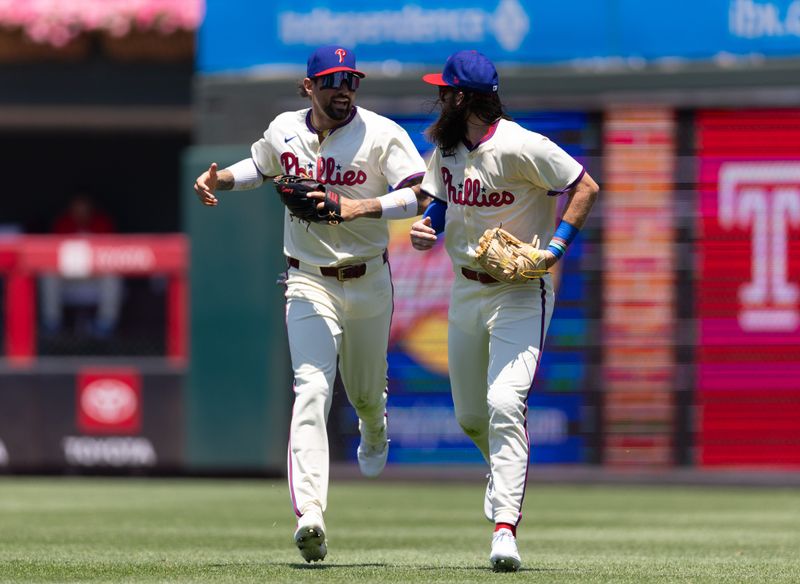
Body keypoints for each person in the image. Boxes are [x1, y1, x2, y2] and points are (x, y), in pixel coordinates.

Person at [193, 45, 428, 563]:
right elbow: (260, 165)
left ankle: (375, 426)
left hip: (368, 281)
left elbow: (420, 194)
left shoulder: (382, 133)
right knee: (313, 389)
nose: (343, 90)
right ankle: (311, 516)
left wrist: (359, 206)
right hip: (307, 280)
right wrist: (221, 180)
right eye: (331, 81)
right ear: (309, 87)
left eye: (351, 80)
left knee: (364, 395)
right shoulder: (284, 128)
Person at [410, 50, 599, 572]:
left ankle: (504, 529)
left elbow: (584, 185)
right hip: (465, 290)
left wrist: (556, 248)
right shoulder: (447, 148)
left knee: (503, 401)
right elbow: (441, 200)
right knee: (473, 417)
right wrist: (428, 225)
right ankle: (505, 479)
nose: (439, 97)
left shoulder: (521, 145)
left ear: (464, 97)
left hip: (520, 289)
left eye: (445, 91)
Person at [40, 192, 123, 338]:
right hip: (68, 275)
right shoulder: (63, 223)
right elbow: (53, 255)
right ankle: (52, 323)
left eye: (84, 207)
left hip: (95, 276)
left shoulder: (102, 223)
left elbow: (112, 254)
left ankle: (105, 324)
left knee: (112, 274)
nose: (81, 211)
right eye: (77, 207)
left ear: (91, 208)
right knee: (48, 272)